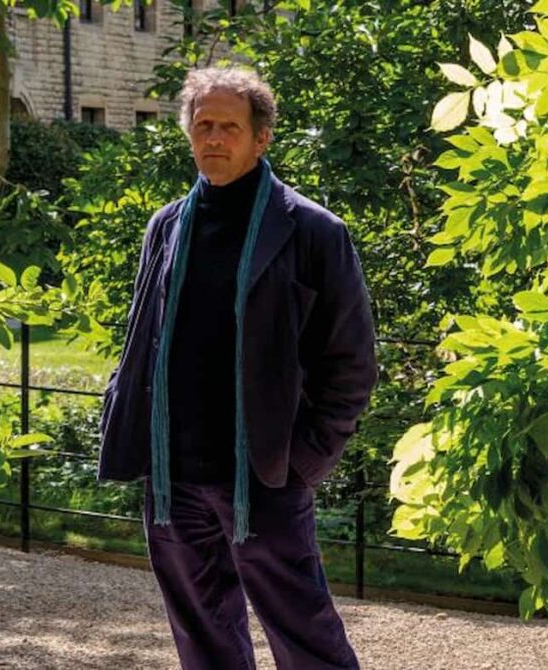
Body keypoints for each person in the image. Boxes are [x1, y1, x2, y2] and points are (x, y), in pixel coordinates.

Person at [97, 65, 377, 670]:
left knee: (307, 639)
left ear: (261, 137)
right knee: (203, 640)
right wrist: (124, 414)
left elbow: (352, 363)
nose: (214, 139)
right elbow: (141, 336)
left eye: (229, 126)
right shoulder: (167, 226)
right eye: (203, 125)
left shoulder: (312, 230)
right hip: (173, 481)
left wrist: (305, 460)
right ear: (188, 133)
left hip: (265, 478)